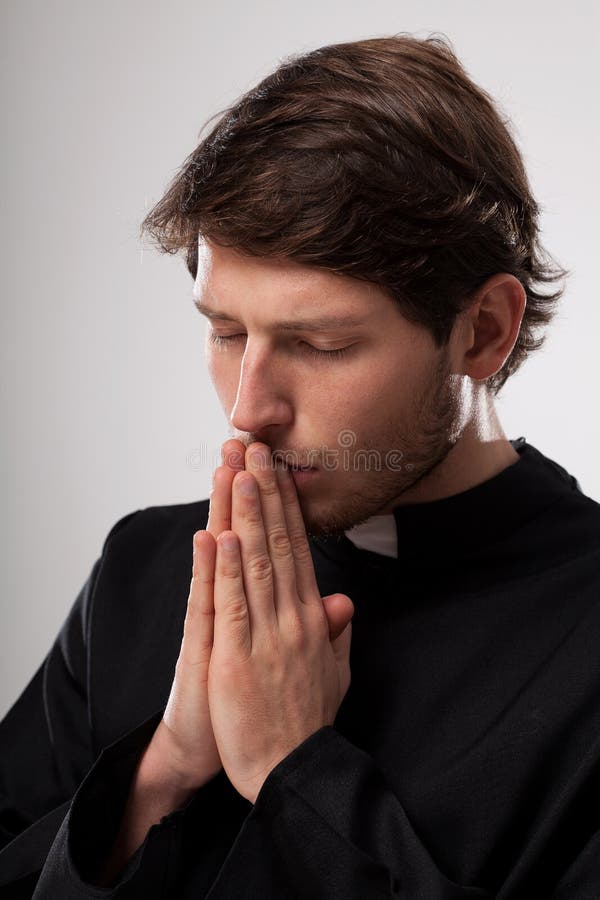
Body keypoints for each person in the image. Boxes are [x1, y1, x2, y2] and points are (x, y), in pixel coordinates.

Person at [1, 32, 599, 899]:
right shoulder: (141, 571)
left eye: (320, 343)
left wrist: (297, 771)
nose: (248, 409)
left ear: (483, 332)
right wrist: (160, 772)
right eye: (226, 332)